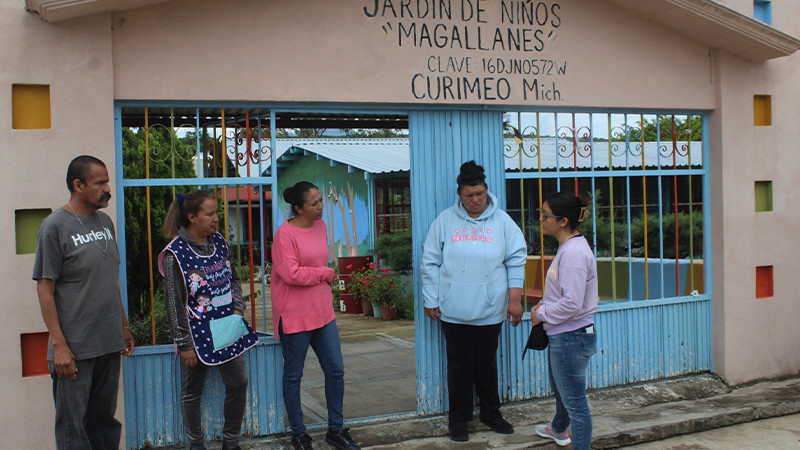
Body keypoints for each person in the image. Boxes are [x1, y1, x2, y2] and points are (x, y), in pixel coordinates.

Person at [33, 155, 135, 449]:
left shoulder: (105, 222)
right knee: (72, 428)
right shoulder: (54, 226)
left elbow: (109, 278)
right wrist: (59, 345)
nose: (107, 189)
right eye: (100, 182)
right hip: (75, 350)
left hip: (108, 341)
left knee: (104, 421)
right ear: (78, 185)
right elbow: (44, 289)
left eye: (107, 182)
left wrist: (123, 326)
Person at [421, 161, 527, 442]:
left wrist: (514, 301)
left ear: (486, 190)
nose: (475, 200)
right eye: (469, 195)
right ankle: (459, 420)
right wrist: (431, 298)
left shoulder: (502, 222)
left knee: (487, 364)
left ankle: (491, 413)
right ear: (460, 194)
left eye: (479, 193)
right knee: (459, 367)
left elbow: (516, 259)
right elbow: (430, 262)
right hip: (453, 311)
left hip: (491, 309)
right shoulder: (444, 221)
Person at [158, 190, 258, 450]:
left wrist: (238, 309)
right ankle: (196, 444)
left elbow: (233, 278)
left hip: (227, 327)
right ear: (192, 216)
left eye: (217, 212)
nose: (216, 218)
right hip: (197, 333)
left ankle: (231, 442)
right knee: (193, 391)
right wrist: (185, 343)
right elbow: (174, 302)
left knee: (239, 383)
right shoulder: (175, 254)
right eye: (210, 213)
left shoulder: (220, 242)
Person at [270, 181, 360, 450]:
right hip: (295, 315)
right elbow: (291, 273)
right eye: (314, 203)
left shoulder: (320, 226)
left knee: (335, 371)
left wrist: (322, 272)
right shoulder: (284, 235)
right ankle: (299, 434)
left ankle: (336, 430)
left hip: (323, 313)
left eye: (321, 201)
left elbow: (318, 261)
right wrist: (324, 274)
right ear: (298, 208)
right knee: (294, 376)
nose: (321, 207)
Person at [531, 192, 599, 450]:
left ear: (563, 221)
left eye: (545, 215)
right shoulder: (570, 247)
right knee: (563, 392)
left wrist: (541, 314)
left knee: (576, 403)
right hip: (568, 335)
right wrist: (545, 306)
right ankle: (558, 428)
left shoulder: (573, 254)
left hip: (571, 336)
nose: (541, 219)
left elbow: (572, 304)